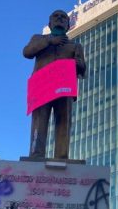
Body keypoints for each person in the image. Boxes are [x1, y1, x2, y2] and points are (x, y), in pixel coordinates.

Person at [23, 10, 86, 159]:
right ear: (50, 23)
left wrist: (76, 63)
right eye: (56, 16)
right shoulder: (38, 38)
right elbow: (27, 52)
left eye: (63, 17)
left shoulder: (75, 46)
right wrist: (49, 41)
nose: (59, 19)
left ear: (68, 25)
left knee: (64, 121)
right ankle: (36, 154)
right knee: (39, 120)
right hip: (42, 86)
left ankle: (61, 156)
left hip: (64, 87)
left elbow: (83, 68)